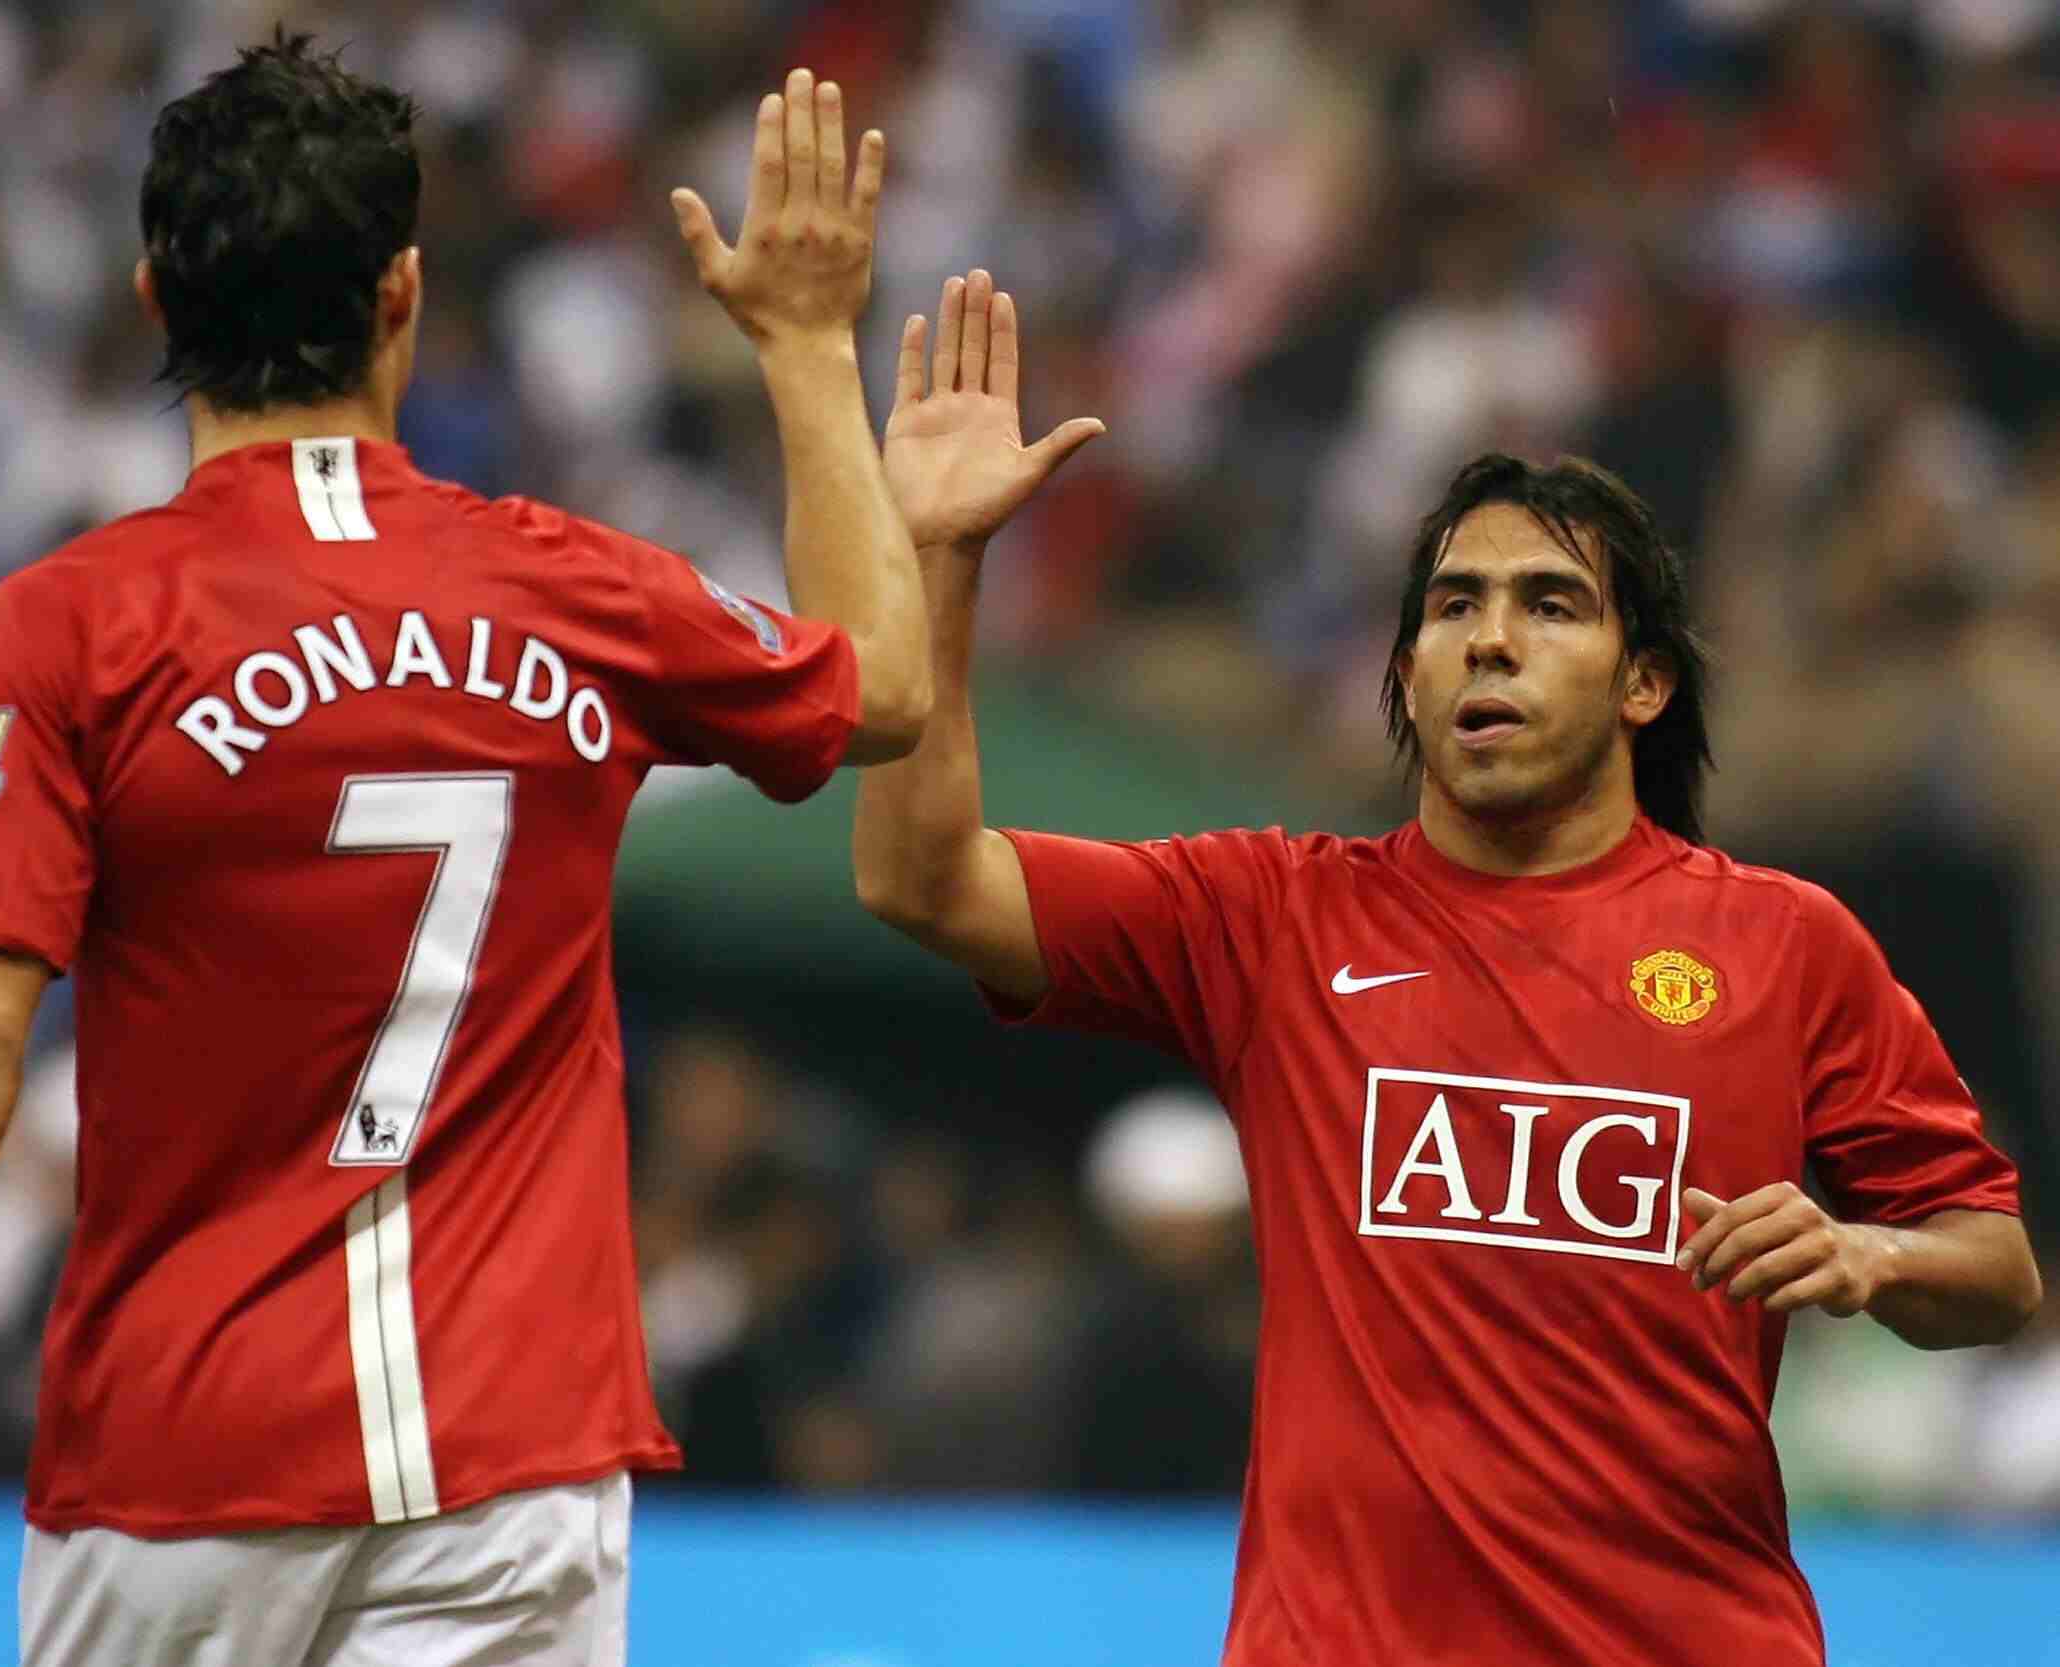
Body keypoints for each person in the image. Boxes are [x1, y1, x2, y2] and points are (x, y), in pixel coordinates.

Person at [0, 39, 929, 1666]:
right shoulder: (576, 591)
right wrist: (803, 345)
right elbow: (886, 688)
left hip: (178, 1475)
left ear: (154, 301)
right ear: (403, 295)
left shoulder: (68, 630)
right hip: (506, 1468)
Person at [854, 271, 2043, 1665]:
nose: (1491, 637)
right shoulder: (1274, 919)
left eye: (1552, 605)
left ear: (1644, 683)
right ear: (1408, 674)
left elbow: (1997, 1268)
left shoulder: (1784, 944)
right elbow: (920, 878)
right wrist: (938, 559)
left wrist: (1867, 1252)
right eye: (1454, 604)